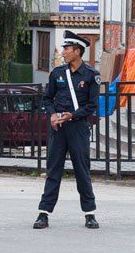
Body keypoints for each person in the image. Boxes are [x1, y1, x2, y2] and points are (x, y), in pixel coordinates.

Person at [34, 31, 101, 230]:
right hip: (58, 128)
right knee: (53, 170)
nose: (63, 52)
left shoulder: (91, 75)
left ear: (78, 51)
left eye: (67, 48)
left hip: (78, 127)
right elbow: (47, 99)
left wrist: (72, 115)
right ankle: (43, 214)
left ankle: (90, 213)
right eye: (64, 48)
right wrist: (53, 115)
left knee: (82, 170)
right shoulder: (57, 74)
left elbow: (92, 105)